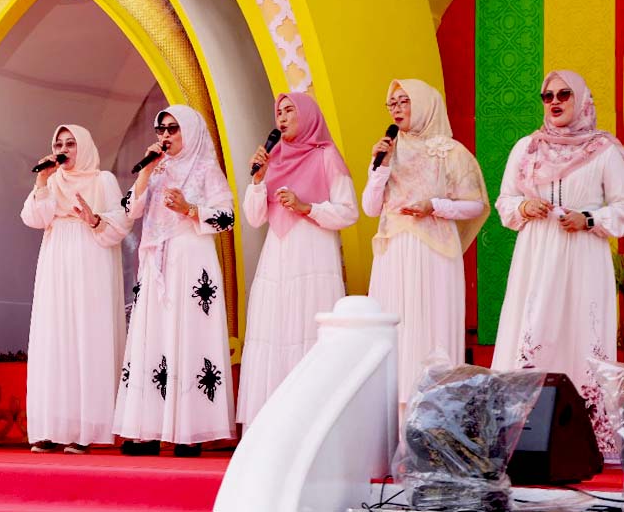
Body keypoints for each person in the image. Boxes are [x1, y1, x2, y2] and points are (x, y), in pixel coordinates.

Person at [492, 70, 624, 454]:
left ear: (580, 99)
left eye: (564, 94)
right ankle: (522, 436)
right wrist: (523, 206)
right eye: (547, 96)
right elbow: (504, 201)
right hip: (536, 255)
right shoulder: (527, 147)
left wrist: (590, 219)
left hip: (583, 254)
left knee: (581, 331)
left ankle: (584, 439)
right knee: (533, 326)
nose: (554, 102)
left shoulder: (605, 150)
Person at [114, 105, 236, 457]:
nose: (165, 136)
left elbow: (227, 217)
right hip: (155, 263)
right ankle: (149, 431)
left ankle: (189, 432)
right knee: (154, 337)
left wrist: (189, 209)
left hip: (190, 259)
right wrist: (145, 172)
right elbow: (129, 210)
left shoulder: (206, 168)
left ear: (190, 131)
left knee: (187, 335)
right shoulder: (157, 169)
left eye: (173, 128)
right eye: (161, 129)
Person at [364, 79, 488, 408]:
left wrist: (434, 206)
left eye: (403, 101)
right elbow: (370, 208)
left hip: (434, 252)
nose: (396, 109)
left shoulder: (451, 152)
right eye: (392, 103)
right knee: (396, 326)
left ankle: (434, 412)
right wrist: (380, 168)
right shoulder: (388, 151)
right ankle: (391, 409)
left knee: (431, 326)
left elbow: (475, 205)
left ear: (424, 104)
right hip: (393, 253)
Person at [237, 93, 358, 425]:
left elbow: (349, 212)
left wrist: (307, 207)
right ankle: (271, 425)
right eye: (279, 111)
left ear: (307, 115)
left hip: (313, 256)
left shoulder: (326, 155)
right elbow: (254, 218)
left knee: (307, 330)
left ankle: (308, 423)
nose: (282, 117)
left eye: (290, 110)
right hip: (277, 259)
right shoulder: (273, 157)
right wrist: (258, 180)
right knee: (275, 332)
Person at [21, 125, 132, 454]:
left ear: (83, 146)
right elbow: (33, 218)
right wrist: (42, 182)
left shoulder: (103, 180)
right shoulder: (52, 180)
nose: (64, 149)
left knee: (88, 338)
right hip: (56, 261)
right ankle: (52, 428)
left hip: (91, 261)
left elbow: (122, 222)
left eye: (70, 144)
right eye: (59, 144)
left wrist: (94, 219)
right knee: (55, 340)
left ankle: (86, 430)